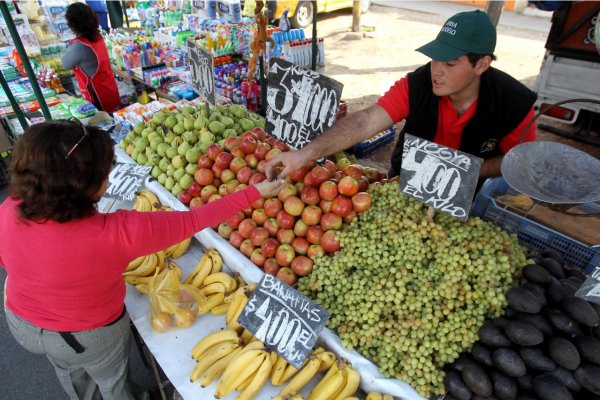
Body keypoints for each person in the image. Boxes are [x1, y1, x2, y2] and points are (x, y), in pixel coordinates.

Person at [0, 120, 286, 400]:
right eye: (105, 171)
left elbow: (6, 262)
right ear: (86, 187)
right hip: (90, 334)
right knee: (112, 381)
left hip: (21, 322)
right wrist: (255, 192)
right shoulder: (117, 232)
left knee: (68, 370)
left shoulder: (8, 209)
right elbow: (194, 220)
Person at [265, 10, 538, 181]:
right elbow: (365, 122)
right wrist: (305, 154)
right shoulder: (418, 85)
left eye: (450, 64)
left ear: (482, 64)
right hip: (403, 183)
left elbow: (519, 160)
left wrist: (468, 170)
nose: (437, 72)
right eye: (435, 60)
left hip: (470, 199)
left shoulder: (514, 103)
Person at [61, 3, 121, 113]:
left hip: (98, 95)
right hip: (109, 88)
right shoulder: (98, 37)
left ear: (72, 24)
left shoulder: (80, 46)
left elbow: (65, 64)